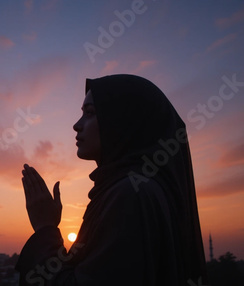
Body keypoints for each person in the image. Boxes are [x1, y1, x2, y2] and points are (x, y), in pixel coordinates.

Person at [16, 74, 208, 285]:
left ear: (122, 121)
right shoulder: (133, 189)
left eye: (89, 113)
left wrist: (45, 228)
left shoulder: (131, 194)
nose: (76, 125)